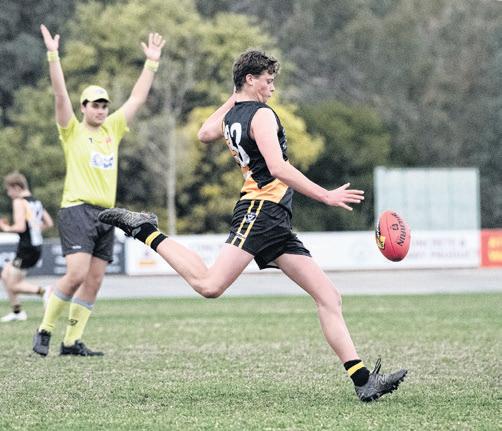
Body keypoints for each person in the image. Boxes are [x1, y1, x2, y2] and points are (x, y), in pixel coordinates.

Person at [99, 50, 407, 401]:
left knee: (328, 296)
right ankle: (144, 229)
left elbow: (204, 132)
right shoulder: (261, 115)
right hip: (260, 211)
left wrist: (234, 97)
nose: (272, 88)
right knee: (209, 285)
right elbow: (277, 167)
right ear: (250, 79)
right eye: (268, 81)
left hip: (275, 221)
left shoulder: (234, 113)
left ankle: (363, 381)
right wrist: (325, 195)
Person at [32, 24, 165, 357]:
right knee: (76, 274)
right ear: (83, 107)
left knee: (94, 281)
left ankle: (71, 342)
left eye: (104, 104)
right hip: (77, 208)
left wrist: (151, 62)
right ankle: (45, 329)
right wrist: (53, 56)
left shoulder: (112, 129)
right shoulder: (72, 131)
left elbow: (137, 98)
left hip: (107, 214)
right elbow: (60, 95)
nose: (101, 109)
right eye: (94, 104)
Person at [0, 172, 53, 322]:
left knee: (13, 285)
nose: (9, 194)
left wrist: (5, 228)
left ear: (17, 187)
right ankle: (17, 311)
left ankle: (44, 291)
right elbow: (49, 223)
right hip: (35, 246)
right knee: (5, 274)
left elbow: (20, 227)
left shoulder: (19, 201)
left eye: (9, 190)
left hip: (26, 248)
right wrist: (34, 231)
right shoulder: (36, 201)